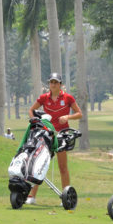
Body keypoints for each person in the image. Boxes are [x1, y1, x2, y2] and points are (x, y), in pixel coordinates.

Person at [25, 72, 82, 205]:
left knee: (63, 167)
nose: (53, 84)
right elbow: (31, 110)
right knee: (39, 164)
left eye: (56, 82)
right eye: (51, 82)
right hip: (46, 134)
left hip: (62, 135)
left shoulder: (68, 98)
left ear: (60, 84)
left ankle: (66, 197)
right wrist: (35, 120)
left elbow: (79, 113)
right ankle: (31, 196)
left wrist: (67, 117)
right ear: (49, 84)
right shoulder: (44, 98)